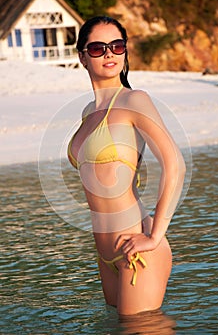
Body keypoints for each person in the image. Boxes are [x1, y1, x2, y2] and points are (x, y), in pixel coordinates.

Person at [68, 16, 186, 315]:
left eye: (116, 46)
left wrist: (155, 237)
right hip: (106, 253)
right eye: (97, 48)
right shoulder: (87, 112)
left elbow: (175, 165)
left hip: (137, 246)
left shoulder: (135, 100)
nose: (109, 53)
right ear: (82, 56)